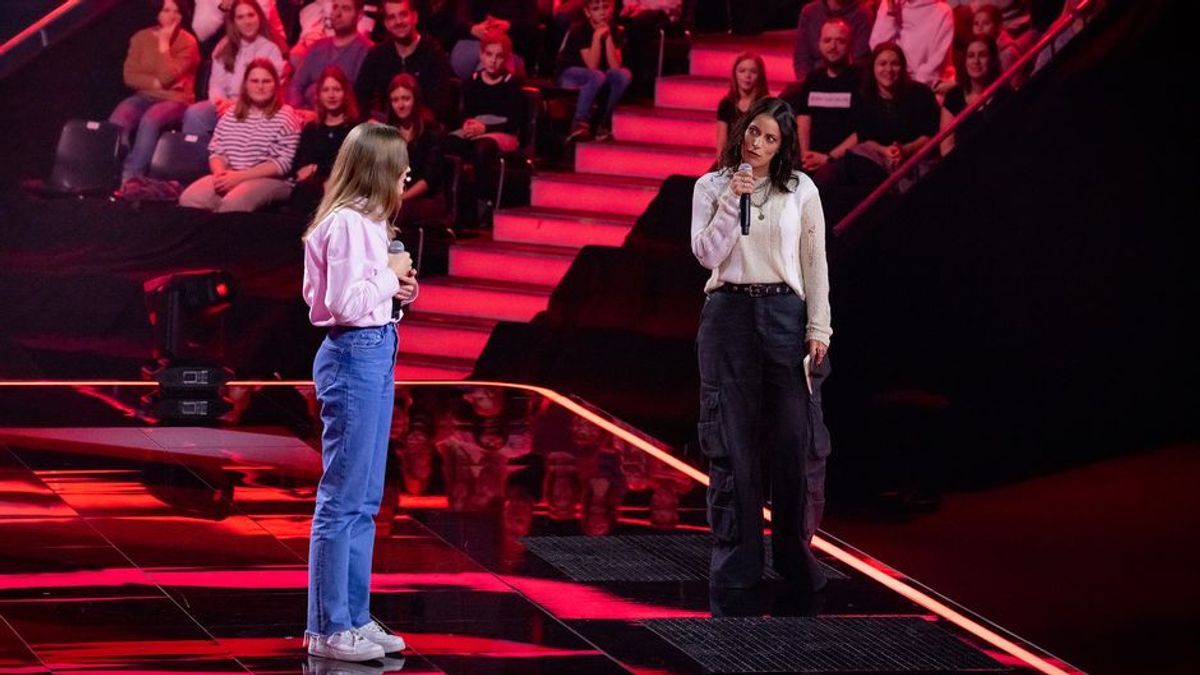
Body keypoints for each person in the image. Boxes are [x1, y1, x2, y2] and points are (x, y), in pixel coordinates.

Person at [691, 97, 832, 591]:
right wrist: (733, 198)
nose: (758, 143)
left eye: (770, 138)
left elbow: (815, 261)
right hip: (728, 314)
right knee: (733, 443)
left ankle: (794, 558)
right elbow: (706, 252)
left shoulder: (800, 189)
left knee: (796, 440)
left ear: (782, 146)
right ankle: (738, 562)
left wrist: (820, 327)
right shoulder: (710, 185)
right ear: (741, 130)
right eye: (754, 132)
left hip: (784, 315)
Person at [301, 120, 418, 662]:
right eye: (401, 166)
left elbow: (369, 292)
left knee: (365, 500)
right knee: (342, 499)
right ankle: (328, 627)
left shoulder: (369, 224)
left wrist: (398, 289)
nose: (408, 175)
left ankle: (353, 616)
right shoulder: (347, 223)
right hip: (355, 353)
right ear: (378, 169)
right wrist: (391, 278)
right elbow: (345, 304)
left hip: (376, 345)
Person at [813, 42, 940, 194]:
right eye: (882, 64)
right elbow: (864, 137)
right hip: (876, 161)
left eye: (895, 64)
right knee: (831, 174)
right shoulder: (864, 96)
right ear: (873, 68)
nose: (888, 69)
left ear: (903, 67)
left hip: (915, 159)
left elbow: (931, 133)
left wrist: (904, 150)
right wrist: (885, 151)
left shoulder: (921, 93)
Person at [179, 58, 301, 211]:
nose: (260, 86)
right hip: (230, 174)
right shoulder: (231, 114)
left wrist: (239, 177)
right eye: (254, 81)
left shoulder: (286, 116)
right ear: (246, 85)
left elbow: (282, 164)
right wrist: (220, 175)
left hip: (269, 180)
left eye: (266, 81)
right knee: (190, 198)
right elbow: (217, 151)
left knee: (233, 203)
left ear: (275, 85)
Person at [109, 0, 200, 182]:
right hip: (145, 96)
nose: (172, 16)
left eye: (177, 12)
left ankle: (132, 177)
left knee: (151, 119)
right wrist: (156, 84)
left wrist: (164, 45)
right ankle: (110, 170)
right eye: (167, 10)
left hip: (177, 99)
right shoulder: (140, 38)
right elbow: (130, 76)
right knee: (118, 118)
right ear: (157, 12)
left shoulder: (188, 42)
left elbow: (167, 76)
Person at [444, 32, 527, 220]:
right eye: (489, 55)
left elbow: (513, 122)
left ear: (506, 59)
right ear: (482, 55)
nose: (493, 61)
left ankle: (484, 201)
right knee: (448, 142)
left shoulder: (512, 85)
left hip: (501, 132)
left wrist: (486, 130)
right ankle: (452, 202)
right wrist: (468, 124)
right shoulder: (473, 81)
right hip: (477, 128)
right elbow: (466, 114)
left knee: (482, 148)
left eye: (499, 56)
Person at [183, 0, 286, 136]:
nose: (247, 22)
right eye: (240, 17)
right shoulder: (223, 47)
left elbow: (267, 91)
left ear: (259, 17)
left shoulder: (271, 50)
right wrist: (221, 103)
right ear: (234, 21)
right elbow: (216, 85)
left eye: (251, 15)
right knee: (195, 114)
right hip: (225, 106)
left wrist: (237, 106)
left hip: (255, 107)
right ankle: (203, 156)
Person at [355, 0, 456, 123]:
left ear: (414, 17)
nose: (398, 22)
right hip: (386, 132)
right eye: (392, 17)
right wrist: (369, 120)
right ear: (386, 23)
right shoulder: (377, 55)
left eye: (403, 15)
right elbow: (358, 98)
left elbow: (440, 106)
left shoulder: (433, 53)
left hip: (424, 131)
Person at [557, 0, 632, 142]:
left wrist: (608, 37)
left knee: (624, 75)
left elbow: (615, 68)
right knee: (596, 75)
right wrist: (597, 37)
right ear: (587, 12)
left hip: (599, 76)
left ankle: (604, 122)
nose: (602, 12)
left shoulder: (615, 30)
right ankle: (579, 122)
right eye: (596, 9)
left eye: (605, 7)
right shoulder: (580, 29)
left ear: (613, 8)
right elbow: (592, 65)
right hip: (570, 73)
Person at [795, 18, 862, 174]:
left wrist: (828, 158)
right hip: (809, 160)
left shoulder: (861, 79)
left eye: (840, 41)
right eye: (827, 40)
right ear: (819, 44)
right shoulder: (813, 79)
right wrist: (805, 155)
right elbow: (804, 119)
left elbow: (863, 131)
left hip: (843, 161)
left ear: (850, 44)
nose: (833, 46)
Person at [291, 67, 361, 214]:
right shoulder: (312, 129)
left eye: (337, 89)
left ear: (345, 93)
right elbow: (299, 166)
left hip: (346, 187)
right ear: (319, 95)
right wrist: (310, 173)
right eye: (326, 90)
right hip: (313, 188)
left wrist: (317, 170)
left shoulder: (355, 129)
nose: (331, 95)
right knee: (303, 193)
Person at [288, 0, 374, 110]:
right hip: (306, 117)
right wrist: (299, 112)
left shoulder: (368, 52)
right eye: (335, 7)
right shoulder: (318, 46)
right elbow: (295, 86)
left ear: (360, 15)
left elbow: (359, 98)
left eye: (345, 8)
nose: (337, 13)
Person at [386, 74, 448, 224]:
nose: (400, 105)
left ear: (416, 100)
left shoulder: (431, 132)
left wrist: (399, 198)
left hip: (426, 198)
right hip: (396, 195)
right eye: (395, 100)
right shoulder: (389, 133)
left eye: (406, 99)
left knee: (395, 211)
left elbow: (428, 180)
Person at [940, 36, 1006, 154]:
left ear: (992, 60)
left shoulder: (1005, 95)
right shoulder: (953, 97)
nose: (976, 61)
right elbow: (946, 147)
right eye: (971, 56)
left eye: (982, 55)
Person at [868, 0, 955, 87]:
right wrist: (891, 14)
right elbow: (877, 49)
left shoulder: (942, 11)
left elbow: (936, 62)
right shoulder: (889, 5)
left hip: (927, 86)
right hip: (893, 82)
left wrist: (913, 89)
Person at [448, 0, 537, 79]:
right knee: (486, 58)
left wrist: (508, 25)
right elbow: (456, 20)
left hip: (510, 46)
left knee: (496, 60)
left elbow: (530, 24)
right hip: (472, 41)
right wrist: (472, 29)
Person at [792, 0, 872, 83]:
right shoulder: (810, 12)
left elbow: (861, 59)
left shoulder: (862, 14)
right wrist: (807, 84)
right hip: (814, 81)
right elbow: (802, 57)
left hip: (847, 82)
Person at [715, 53, 768, 163]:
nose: (747, 76)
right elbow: (721, 146)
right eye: (742, 71)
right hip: (730, 163)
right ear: (735, 74)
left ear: (760, 75)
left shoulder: (766, 106)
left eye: (753, 72)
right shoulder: (726, 104)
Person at [291, 0, 377, 67]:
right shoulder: (315, 6)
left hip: (347, 43)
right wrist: (311, 34)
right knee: (297, 55)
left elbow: (362, 32)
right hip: (320, 36)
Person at [193, 0, 288, 55]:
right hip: (217, 43)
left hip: (263, 39)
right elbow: (201, 34)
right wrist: (222, 9)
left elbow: (260, 22)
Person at [971, 4, 1022, 73]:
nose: (979, 28)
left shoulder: (1007, 53)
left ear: (998, 26)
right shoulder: (980, 49)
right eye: (976, 24)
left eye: (986, 23)